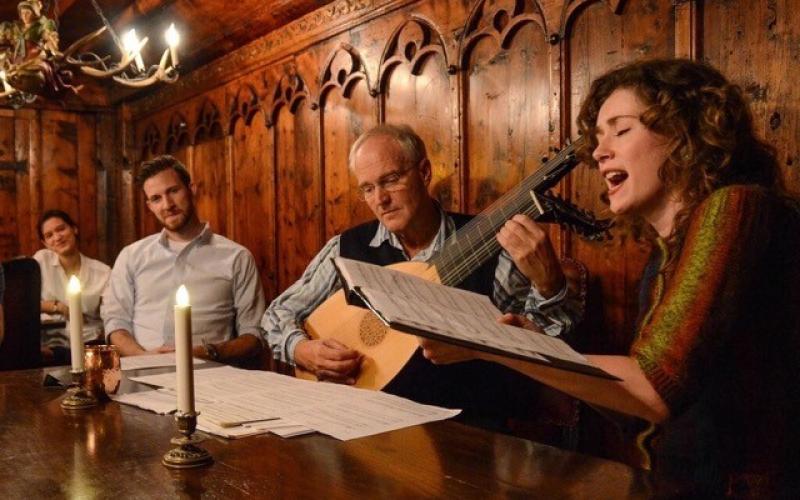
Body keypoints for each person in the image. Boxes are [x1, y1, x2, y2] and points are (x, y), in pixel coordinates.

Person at [419, 59, 800, 497]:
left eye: (621, 130)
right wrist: (534, 345)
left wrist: (493, 345)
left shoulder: (736, 209)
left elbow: (655, 388)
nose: (598, 153)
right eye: (598, 139)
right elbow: (641, 413)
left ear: (684, 133)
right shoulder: (664, 255)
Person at [263, 123, 586, 431]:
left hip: (464, 426)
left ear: (425, 172)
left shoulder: (491, 245)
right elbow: (278, 314)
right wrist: (301, 350)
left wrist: (548, 285)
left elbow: (542, 343)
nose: (380, 199)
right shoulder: (346, 247)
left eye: (390, 180)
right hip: (360, 418)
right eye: (368, 188)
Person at [102, 155, 266, 364]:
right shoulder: (131, 256)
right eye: (156, 198)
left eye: (173, 191)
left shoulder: (236, 257)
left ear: (192, 189)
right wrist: (144, 359)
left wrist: (204, 353)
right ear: (149, 206)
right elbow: (116, 323)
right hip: (140, 373)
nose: (167, 204)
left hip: (209, 375)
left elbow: (253, 335)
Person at [34, 209, 110, 365]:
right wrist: (58, 307)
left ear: (74, 229)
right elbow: (23, 305)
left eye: (61, 229)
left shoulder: (102, 272)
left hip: (88, 346)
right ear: (45, 243)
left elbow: (111, 315)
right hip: (50, 347)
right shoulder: (41, 261)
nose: (57, 237)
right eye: (49, 235)